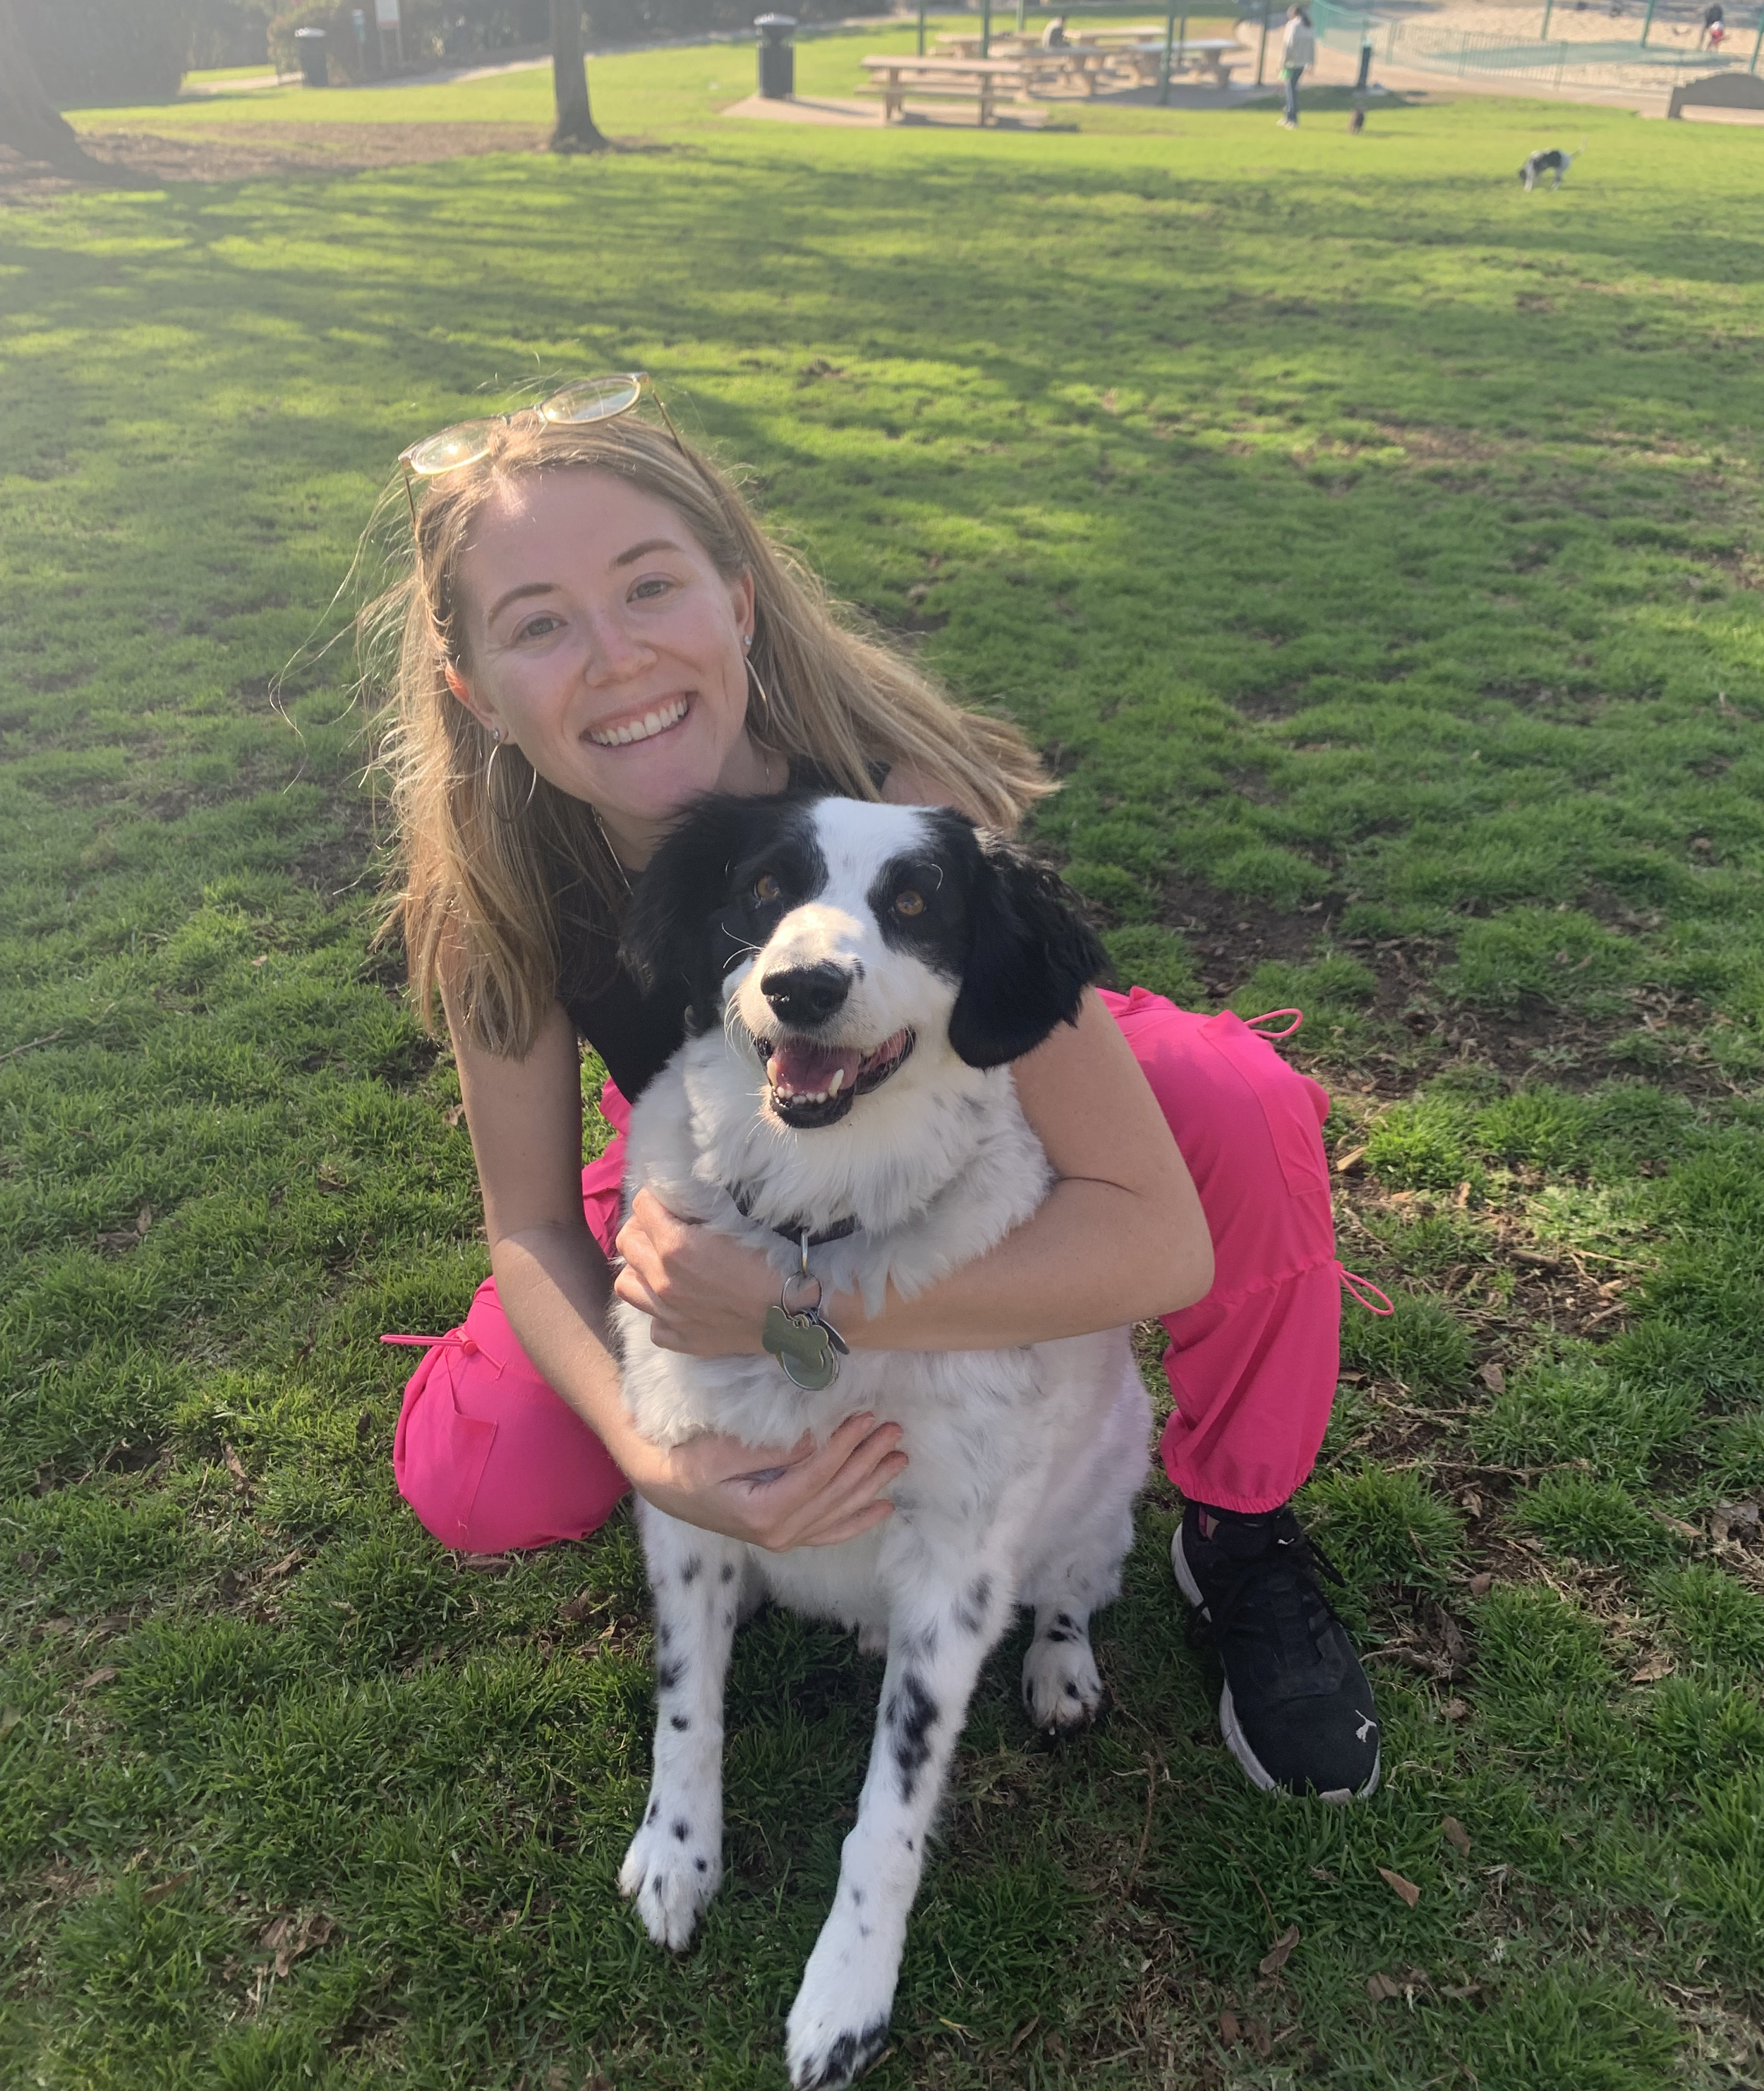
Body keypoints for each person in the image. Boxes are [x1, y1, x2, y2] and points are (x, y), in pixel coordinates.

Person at [368, 377, 1384, 1802]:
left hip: (966, 1080)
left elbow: (1152, 1239)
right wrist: (649, 1449)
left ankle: (1238, 1529)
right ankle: (739, 1463)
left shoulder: (884, 783)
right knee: (486, 1472)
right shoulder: (500, 891)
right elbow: (530, 1229)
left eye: (647, 585)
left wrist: (807, 1306)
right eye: (538, 620)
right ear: (472, 678)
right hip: (709, 1139)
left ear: (736, 597)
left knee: (1224, 1105)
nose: (610, 656)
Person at [1279, 4, 1315, 128]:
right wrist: (1311, 63)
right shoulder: (1308, 26)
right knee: (1291, 89)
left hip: (1291, 62)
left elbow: (1288, 45)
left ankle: (1293, 119)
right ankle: (1288, 116)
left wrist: (1282, 62)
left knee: (1290, 90)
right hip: (1302, 63)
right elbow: (1312, 47)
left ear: (1293, 13)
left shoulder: (1292, 26)